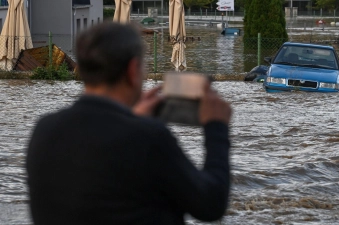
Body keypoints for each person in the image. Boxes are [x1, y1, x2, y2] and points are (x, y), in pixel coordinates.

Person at [26, 22, 232, 225]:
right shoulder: (148, 138)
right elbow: (210, 204)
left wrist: (133, 118)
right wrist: (216, 127)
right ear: (133, 70)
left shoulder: (44, 129)